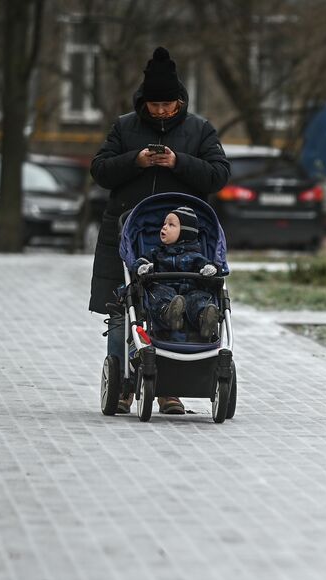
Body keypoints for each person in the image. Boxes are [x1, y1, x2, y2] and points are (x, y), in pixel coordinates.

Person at [90, 46, 230, 415]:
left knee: (173, 307)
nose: (162, 111)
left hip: (181, 237)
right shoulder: (124, 127)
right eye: (154, 105)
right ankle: (122, 386)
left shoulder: (199, 130)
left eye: (168, 104)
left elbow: (219, 174)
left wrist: (178, 161)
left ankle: (171, 388)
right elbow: (100, 170)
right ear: (143, 102)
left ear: (179, 100)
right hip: (127, 233)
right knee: (121, 309)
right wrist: (135, 161)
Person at [133, 205, 221, 341]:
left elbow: (211, 266)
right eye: (164, 224)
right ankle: (169, 315)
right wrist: (142, 268)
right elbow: (140, 262)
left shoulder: (195, 256)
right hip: (165, 290)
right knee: (157, 295)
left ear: (185, 232)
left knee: (199, 299)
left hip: (190, 292)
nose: (164, 227)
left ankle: (204, 320)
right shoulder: (157, 253)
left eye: (171, 225)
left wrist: (211, 269)